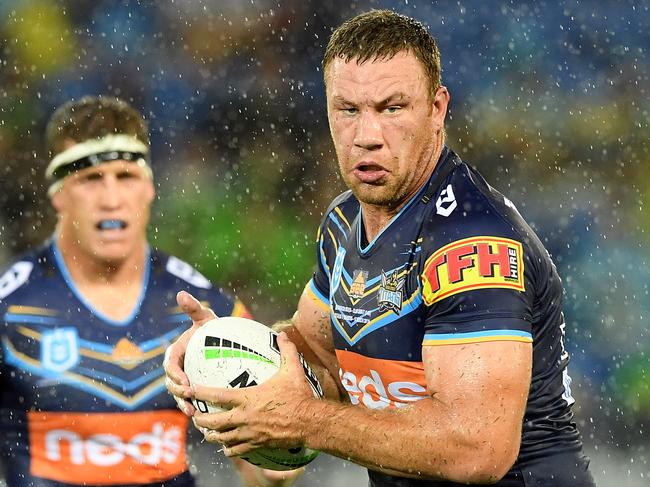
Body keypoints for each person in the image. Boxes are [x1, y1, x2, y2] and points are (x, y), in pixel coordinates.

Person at [164, 10, 596, 487]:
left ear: (437, 109)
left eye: (392, 108)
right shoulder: (343, 221)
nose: (366, 136)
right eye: (347, 110)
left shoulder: (472, 242)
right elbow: (315, 360)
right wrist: (226, 351)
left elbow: (477, 448)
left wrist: (303, 418)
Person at [0, 96, 298, 487]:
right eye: (91, 179)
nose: (111, 200)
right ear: (57, 194)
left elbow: (272, 473)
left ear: (149, 187)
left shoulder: (204, 309)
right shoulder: (10, 310)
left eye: (126, 176)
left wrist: (279, 445)